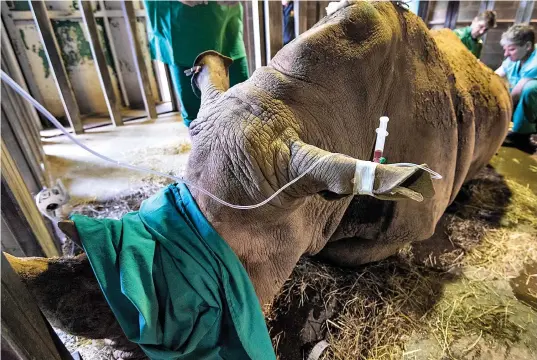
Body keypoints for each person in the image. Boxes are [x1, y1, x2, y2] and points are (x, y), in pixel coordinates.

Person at [144, 0, 249, 127]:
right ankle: (201, 141)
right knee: (196, 110)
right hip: (179, 19)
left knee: (239, 99)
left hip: (224, 16)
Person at [495, 24, 537, 149]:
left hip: (532, 101)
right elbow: (495, 76)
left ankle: (522, 136)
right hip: (522, 99)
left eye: (511, 49)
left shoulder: (535, 62)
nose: (506, 54)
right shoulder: (516, 58)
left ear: (528, 46)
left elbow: (517, 93)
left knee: (530, 88)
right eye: (505, 49)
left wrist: (493, 112)